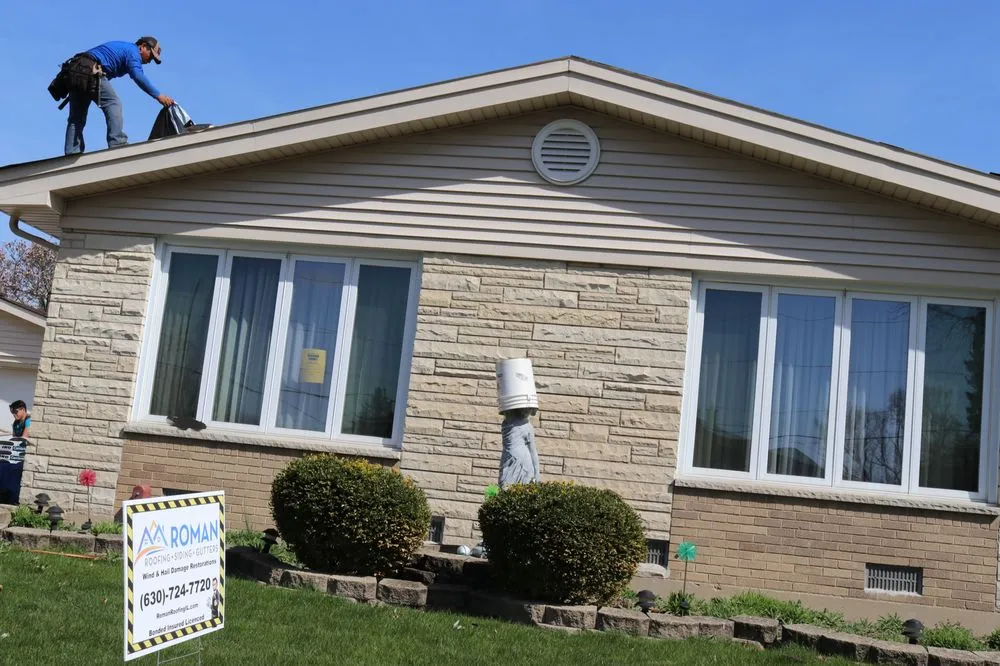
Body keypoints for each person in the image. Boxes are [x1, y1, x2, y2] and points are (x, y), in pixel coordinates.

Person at [64, 37, 175, 155]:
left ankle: (71, 152)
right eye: (151, 55)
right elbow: (138, 75)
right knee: (113, 103)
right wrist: (159, 96)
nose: (150, 60)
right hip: (90, 70)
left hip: (76, 71)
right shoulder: (133, 52)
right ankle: (118, 143)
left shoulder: (124, 48)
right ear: (142, 46)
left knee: (76, 118)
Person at [497, 407, 540, 489]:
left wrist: (537, 475)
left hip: (524, 462)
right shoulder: (507, 424)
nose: (526, 411)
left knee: (523, 490)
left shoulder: (527, 426)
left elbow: (533, 451)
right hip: (508, 459)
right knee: (504, 487)